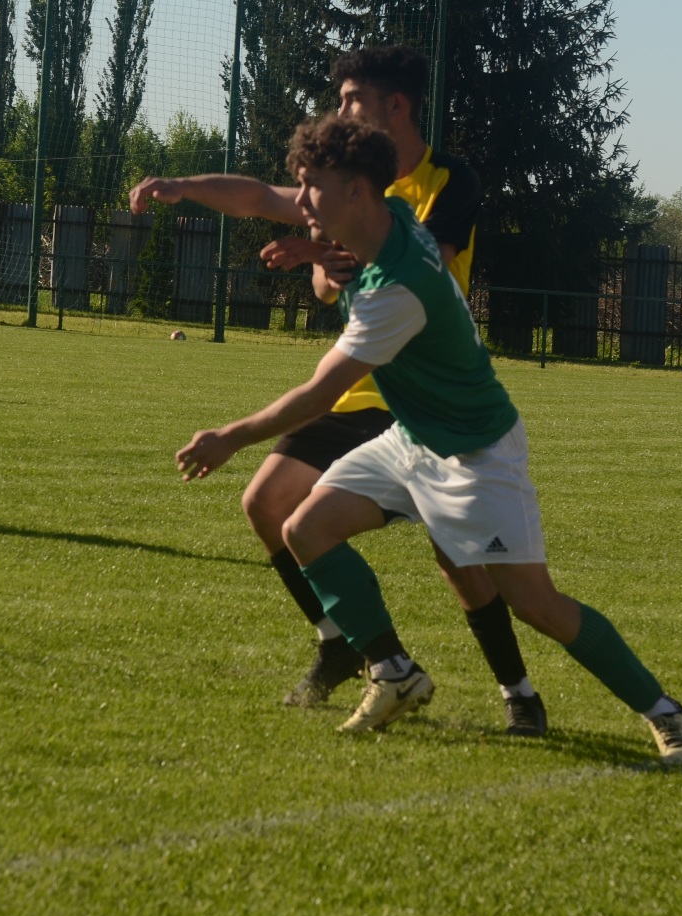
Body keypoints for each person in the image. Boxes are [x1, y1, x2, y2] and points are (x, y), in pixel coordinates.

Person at [167, 113, 682, 764]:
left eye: (311, 186)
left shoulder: (397, 291)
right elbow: (278, 207)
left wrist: (229, 436)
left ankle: (666, 712)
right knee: (304, 527)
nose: (300, 199)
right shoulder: (388, 216)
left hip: (477, 454)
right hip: (413, 438)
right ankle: (393, 671)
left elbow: (319, 394)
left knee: (537, 604)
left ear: (356, 190)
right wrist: (307, 248)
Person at [129, 44, 546, 738]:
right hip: (355, 388)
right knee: (266, 503)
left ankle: (519, 692)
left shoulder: (449, 182)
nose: (340, 109)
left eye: (352, 99)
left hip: (423, 396)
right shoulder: (340, 180)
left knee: (458, 559)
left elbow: (419, 266)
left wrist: (321, 255)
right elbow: (265, 204)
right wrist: (181, 185)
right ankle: (346, 645)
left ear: (395, 106)